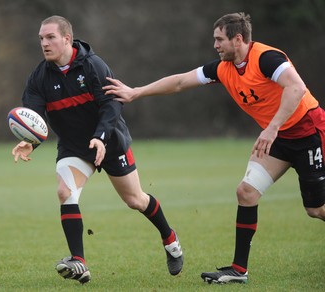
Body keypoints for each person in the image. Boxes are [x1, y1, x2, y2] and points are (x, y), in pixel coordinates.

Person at [103, 12, 325, 284]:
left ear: (238, 39)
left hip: (309, 132)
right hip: (278, 138)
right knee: (246, 192)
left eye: (220, 39)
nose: (215, 45)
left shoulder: (266, 58)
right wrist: (136, 91)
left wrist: (272, 127)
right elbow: (181, 82)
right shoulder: (223, 69)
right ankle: (238, 271)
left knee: (316, 209)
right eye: (215, 40)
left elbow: (297, 88)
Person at [11, 15, 183, 285]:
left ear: (67, 39)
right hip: (74, 147)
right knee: (64, 192)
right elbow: (34, 116)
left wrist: (101, 138)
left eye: (50, 37)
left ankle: (169, 238)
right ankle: (78, 261)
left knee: (135, 200)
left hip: (110, 141)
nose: (44, 43)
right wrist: (29, 140)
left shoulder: (93, 66)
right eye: (41, 38)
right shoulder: (39, 77)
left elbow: (112, 105)